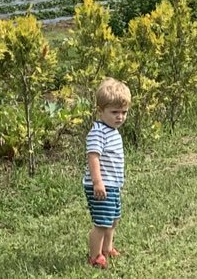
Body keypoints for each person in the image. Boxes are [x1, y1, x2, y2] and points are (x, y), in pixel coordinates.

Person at [84, 78, 130, 269]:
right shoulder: (98, 132)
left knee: (113, 219)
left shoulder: (112, 131)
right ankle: (95, 256)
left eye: (124, 112)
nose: (120, 117)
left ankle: (107, 248)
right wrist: (97, 182)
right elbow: (93, 157)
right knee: (102, 223)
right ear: (100, 111)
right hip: (101, 185)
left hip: (113, 185)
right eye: (114, 112)